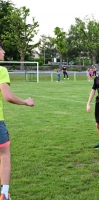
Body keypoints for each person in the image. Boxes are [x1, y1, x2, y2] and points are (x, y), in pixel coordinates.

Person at [0, 39, 35, 200]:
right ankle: (5, 194)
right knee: (4, 154)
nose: (4, 52)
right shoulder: (1, 70)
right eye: (2, 49)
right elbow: (7, 96)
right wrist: (26, 102)